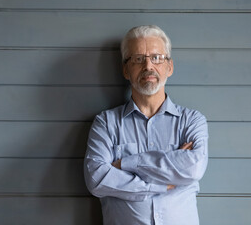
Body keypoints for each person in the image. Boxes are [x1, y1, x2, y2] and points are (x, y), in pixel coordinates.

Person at [84, 25, 208, 225]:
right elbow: (96, 179)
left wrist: (125, 164)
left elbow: (193, 169)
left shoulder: (191, 121)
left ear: (170, 67)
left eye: (157, 57)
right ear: (126, 69)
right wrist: (162, 178)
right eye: (139, 59)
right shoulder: (106, 123)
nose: (148, 66)